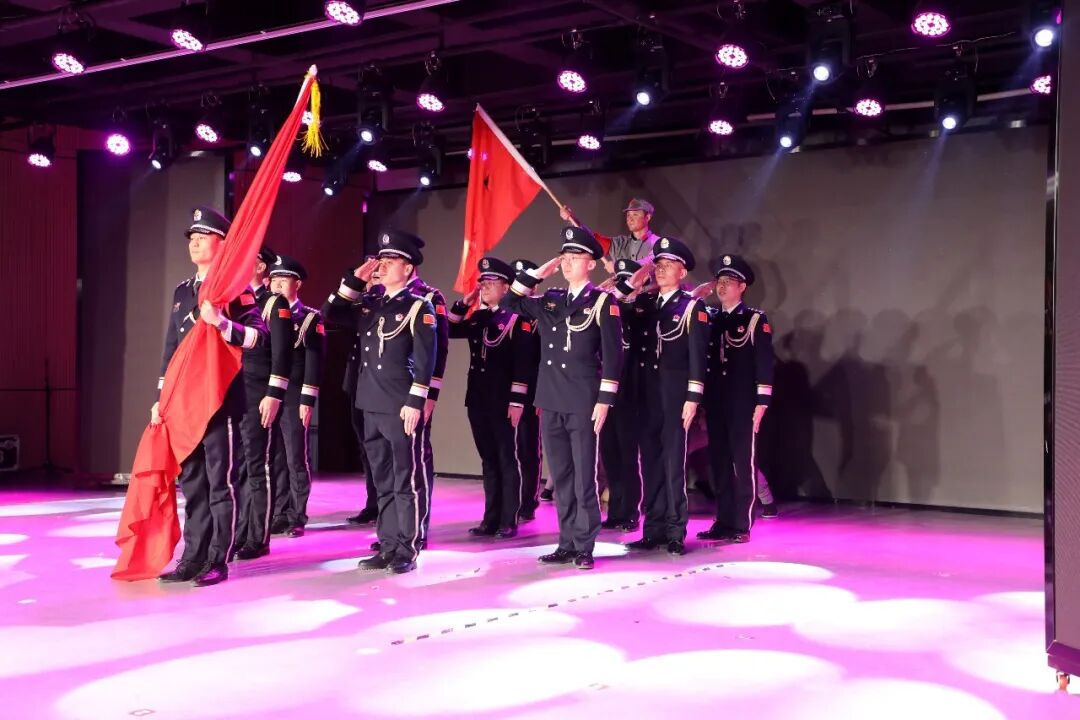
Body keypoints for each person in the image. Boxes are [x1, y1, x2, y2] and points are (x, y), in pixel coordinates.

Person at [156, 206, 269, 587]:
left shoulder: (236, 290)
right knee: (192, 483)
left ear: (222, 244)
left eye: (203, 237)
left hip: (219, 400)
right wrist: (160, 398)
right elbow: (171, 349)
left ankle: (217, 558)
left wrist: (222, 323)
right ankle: (192, 556)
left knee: (221, 483)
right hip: (186, 404)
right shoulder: (182, 291)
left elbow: (258, 337)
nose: (194, 243)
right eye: (192, 237)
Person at [504, 226, 624, 570]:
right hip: (551, 397)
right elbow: (511, 302)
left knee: (584, 475)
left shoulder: (602, 302)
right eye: (565, 257)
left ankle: (584, 544)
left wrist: (605, 400)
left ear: (591, 264)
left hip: (584, 400)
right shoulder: (552, 299)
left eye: (576, 257)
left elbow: (614, 355)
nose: (568, 262)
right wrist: (534, 275)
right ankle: (566, 541)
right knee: (561, 475)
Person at [324, 231, 437, 574]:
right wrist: (353, 280)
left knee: (407, 479)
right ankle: (387, 544)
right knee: (383, 479)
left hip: (400, 405)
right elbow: (331, 312)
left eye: (391, 261)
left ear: (408, 268)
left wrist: (416, 401)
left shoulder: (419, 306)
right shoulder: (370, 304)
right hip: (370, 402)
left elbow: (426, 360)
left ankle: (407, 547)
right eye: (381, 260)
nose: (383, 266)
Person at [615, 238, 708, 555]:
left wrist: (693, 398)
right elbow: (617, 309)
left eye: (669, 265)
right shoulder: (646, 303)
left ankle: (675, 531)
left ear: (682, 272)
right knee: (650, 462)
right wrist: (633, 282)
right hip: (646, 395)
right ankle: (653, 529)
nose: (662, 270)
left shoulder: (691, 307)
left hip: (675, 397)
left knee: (673, 463)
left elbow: (697, 356)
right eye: (659, 265)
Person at [448, 256, 538, 538]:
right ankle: (490, 518)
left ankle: (508, 518)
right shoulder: (479, 317)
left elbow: (523, 364)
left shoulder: (517, 319)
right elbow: (449, 329)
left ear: (506, 287)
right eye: (482, 282)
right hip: (477, 399)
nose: (484, 287)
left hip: (503, 401)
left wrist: (517, 401)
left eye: (490, 282)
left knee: (506, 458)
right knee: (488, 458)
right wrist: (463, 304)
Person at [697, 255, 774, 544]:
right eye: (720, 280)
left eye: (729, 281)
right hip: (716, 402)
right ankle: (723, 520)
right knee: (719, 462)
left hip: (743, 404)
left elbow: (764, 362)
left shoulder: (754, 319)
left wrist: (762, 402)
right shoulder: (711, 318)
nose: (722, 286)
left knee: (743, 463)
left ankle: (742, 523)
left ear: (742, 287)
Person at [232, 247, 293, 560]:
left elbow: (282, 354)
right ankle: (239, 531)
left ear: (259, 267)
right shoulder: (236, 300)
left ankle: (258, 537)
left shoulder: (274, 303)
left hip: (259, 393)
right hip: (236, 392)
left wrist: (274, 395)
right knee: (238, 467)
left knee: (258, 466)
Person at [267, 255, 325, 537]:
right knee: (274, 456)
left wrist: (307, 400)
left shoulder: (309, 317)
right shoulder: (263, 312)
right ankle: (279, 512)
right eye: (274, 279)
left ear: (297, 284)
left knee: (295, 457)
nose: (277, 284)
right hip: (268, 395)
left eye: (284, 279)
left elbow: (314, 362)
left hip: (293, 394)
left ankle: (297, 514)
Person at [598, 258, 645, 532]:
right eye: (619, 281)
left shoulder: (640, 311)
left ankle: (631, 512)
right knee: (610, 455)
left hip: (632, 394)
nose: (623, 288)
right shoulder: (608, 312)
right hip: (608, 395)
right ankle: (615, 512)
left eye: (628, 282)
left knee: (629, 457)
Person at [510, 259, 543, 521]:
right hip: (505, 390)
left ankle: (528, 501)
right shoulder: (506, 313)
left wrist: (541, 394)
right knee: (507, 448)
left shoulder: (542, 314)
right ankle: (510, 500)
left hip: (532, 391)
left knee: (528, 447)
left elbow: (545, 358)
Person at [560, 198, 660, 276]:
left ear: (647, 217)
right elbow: (592, 239)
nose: (630, 219)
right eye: (628, 215)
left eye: (635, 214)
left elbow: (648, 265)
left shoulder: (657, 243)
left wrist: (618, 267)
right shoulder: (619, 243)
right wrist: (573, 219)